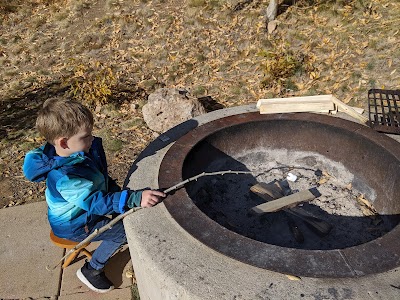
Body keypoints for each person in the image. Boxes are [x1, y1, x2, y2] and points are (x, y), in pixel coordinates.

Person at [23, 98, 165, 293]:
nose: (92, 139)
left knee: (122, 212)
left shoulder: (73, 152)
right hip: (75, 225)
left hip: (82, 212)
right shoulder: (66, 177)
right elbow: (96, 203)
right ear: (64, 142)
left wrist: (118, 193)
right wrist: (134, 198)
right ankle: (92, 269)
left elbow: (95, 183)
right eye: (86, 136)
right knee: (124, 233)